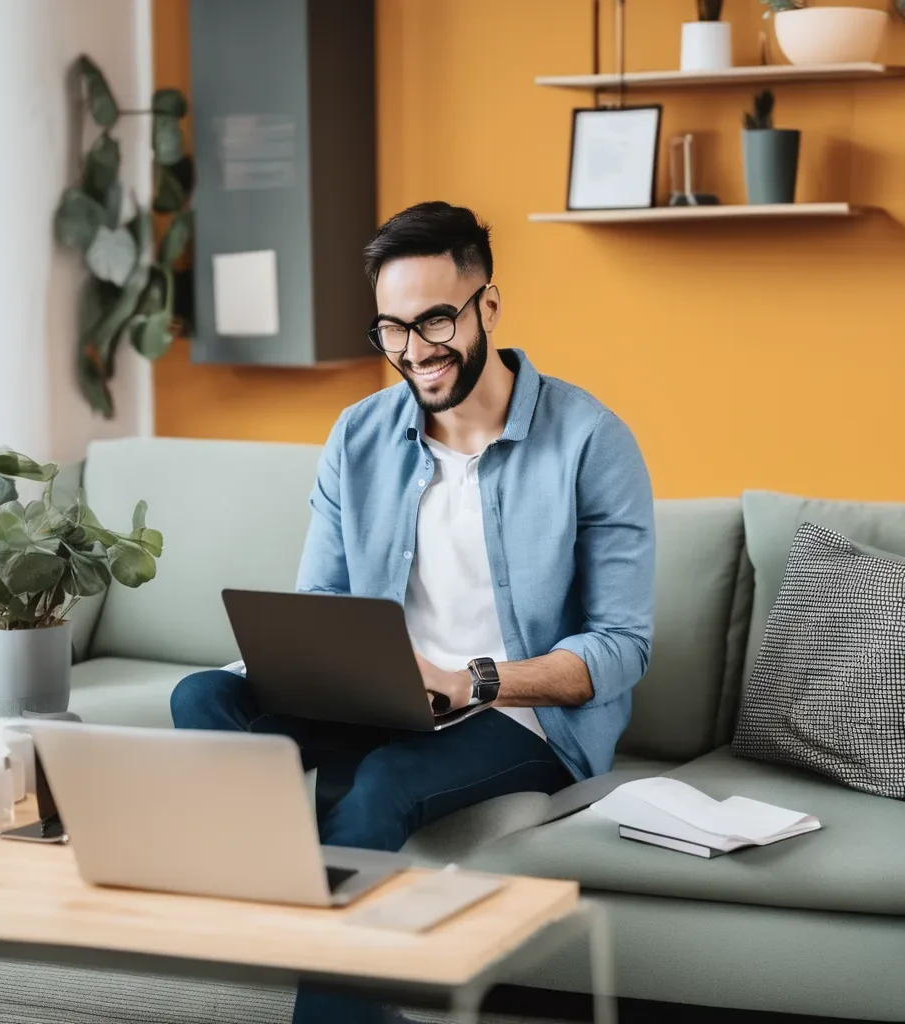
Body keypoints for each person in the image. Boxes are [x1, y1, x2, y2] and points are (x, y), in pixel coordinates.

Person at [171, 201, 655, 1024]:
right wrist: (328, 666)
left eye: (435, 320)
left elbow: (620, 648)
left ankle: (319, 977)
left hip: (514, 713)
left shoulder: (589, 440)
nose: (415, 352)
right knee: (202, 696)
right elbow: (322, 598)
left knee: (383, 784)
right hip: (379, 694)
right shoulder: (359, 435)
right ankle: (309, 905)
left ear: (487, 308)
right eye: (392, 329)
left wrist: (474, 679)